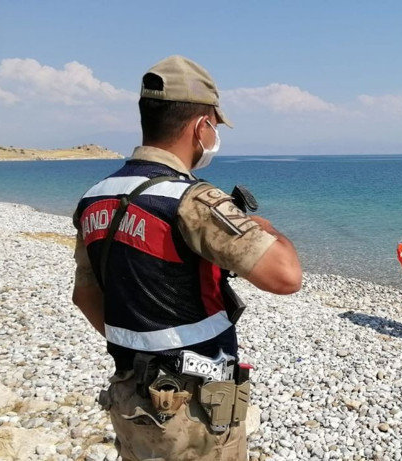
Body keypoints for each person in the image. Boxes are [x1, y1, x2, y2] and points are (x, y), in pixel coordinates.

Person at [71, 55, 302, 461]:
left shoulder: (95, 197)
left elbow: (85, 296)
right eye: (214, 126)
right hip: (193, 413)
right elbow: (286, 277)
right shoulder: (192, 199)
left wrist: (138, 346)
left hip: (130, 397)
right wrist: (266, 229)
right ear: (201, 127)